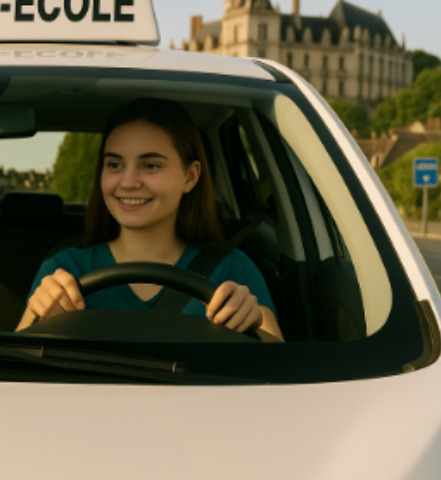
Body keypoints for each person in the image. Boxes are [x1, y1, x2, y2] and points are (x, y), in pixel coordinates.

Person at [17, 98, 283, 341]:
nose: (128, 182)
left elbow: (277, 361)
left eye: (151, 165)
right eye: (114, 165)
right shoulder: (65, 271)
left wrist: (253, 323)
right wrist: (35, 315)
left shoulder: (232, 271)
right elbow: (16, 364)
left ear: (190, 177)